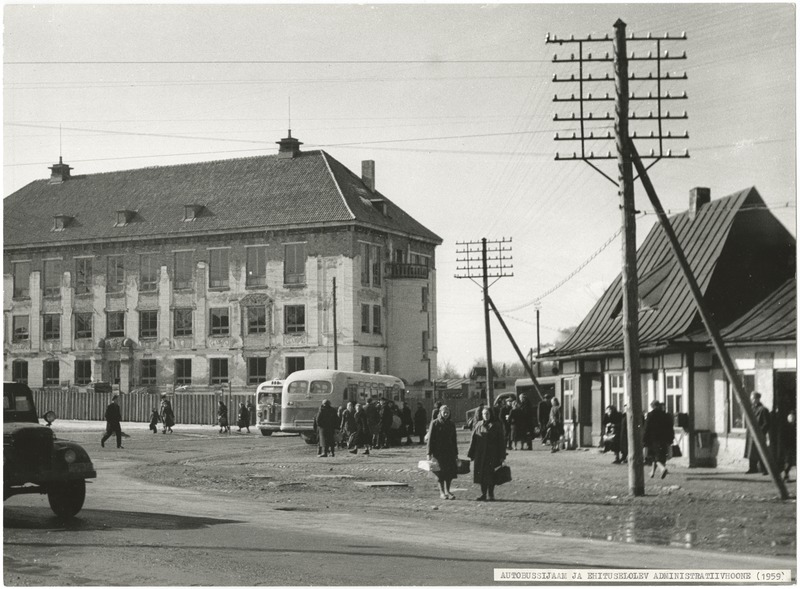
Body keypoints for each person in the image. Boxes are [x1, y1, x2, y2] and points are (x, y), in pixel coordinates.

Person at [467, 407, 507, 501]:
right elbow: (474, 440)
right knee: (481, 475)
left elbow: (501, 441)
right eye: (484, 414)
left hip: (493, 454)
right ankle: (483, 494)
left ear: (491, 414)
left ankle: (491, 494)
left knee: (491, 475)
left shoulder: (496, 425)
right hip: (480, 454)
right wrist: (471, 454)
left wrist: (502, 456)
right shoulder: (478, 425)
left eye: (487, 414)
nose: (486, 416)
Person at [426, 404, 459, 500]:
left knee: (449, 473)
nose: (446, 414)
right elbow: (430, 439)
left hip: (449, 452)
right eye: (444, 412)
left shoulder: (451, 424)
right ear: (440, 413)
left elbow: (454, 440)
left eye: (447, 412)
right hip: (438, 453)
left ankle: (448, 490)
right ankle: (442, 492)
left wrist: (456, 453)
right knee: (440, 473)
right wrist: (429, 453)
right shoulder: (435, 423)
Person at [643, 400, 674, 479]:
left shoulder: (650, 415)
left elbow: (646, 428)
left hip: (653, 439)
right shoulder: (666, 415)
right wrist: (670, 439)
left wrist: (644, 439)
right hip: (664, 439)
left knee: (655, 457)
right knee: (659, 456)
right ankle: (652, 472)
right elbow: (670, 428)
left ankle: (662, 469)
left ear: (652, 406)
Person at [745, 391, 771, 475]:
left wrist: (761, 432)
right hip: (751, 434)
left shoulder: (763, 410)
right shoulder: (751, 409)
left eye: (753, 399)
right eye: (751, 399)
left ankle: (765, 469)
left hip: (759, 434)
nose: (752, 400)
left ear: (758, 399)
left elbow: (766, 423)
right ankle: (752, 468)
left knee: (761, 452)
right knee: (751, 451)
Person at [782, 409, 796, 482]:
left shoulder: (795, 426)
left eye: (793, 418)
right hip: (789, 446)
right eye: (791, 418)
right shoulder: (786, 427)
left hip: (793, 446)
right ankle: (786, 475)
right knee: (788, 461)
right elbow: (784, 438)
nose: (792, 419)